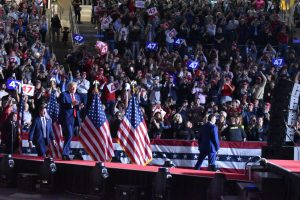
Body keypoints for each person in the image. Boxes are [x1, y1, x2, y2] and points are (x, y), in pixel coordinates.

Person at [59, 82, 82, 160]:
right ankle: (64, 153)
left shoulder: (77, 96)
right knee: (69, 134)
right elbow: (62, 105)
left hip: (74, 118)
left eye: (74, 88)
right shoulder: (63, 94)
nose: (73, 89)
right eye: (72, 87)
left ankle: (66, 154)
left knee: (70, 136)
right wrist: (71, 104)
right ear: (68, 87)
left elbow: (76, 108)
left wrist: (79, 107)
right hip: (66, 118)